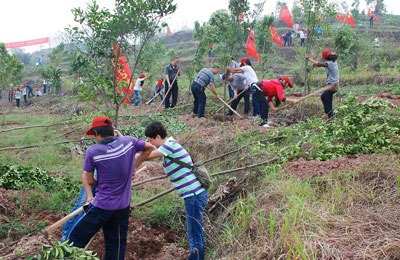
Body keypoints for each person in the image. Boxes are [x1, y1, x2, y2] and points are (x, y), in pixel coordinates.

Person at [66, 116, 154, 260]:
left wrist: (97, 184)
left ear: (96, 133)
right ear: (112, 131)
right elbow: (149, 148)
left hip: (102, 207)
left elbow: (88, 179)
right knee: (116, 246)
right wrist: (134, 167)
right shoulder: (129, 142)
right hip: (122, 208)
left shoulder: (93, 151)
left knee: (74, 238)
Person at [143, 121, 208, 260]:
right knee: (196, 232)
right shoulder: (169, 146)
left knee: (194, 234)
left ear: (158, 136)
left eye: (151, 140)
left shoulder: (169, 146)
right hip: (194, 194)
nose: (151, 143)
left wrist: (133, 147)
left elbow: (146, 156)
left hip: (193, 195)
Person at [306, 50, 340, 118]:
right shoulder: (332, 62)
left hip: (332, 85)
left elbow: (320, 64)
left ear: (324, 58)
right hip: (332, 84)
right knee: (324, 96)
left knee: (327, 99)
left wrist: (309, 58)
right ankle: (328, 113)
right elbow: (322, 65)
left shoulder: (330, 63)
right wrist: (315, 64)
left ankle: (330, 115)